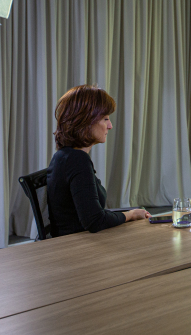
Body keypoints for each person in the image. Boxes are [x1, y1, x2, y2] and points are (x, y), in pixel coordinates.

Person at [46, 84, 150, 237]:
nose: (110, 126)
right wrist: (131, 215)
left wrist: (129, 213)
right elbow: (95, 221)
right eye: (105, 119)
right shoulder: (77, 160)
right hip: (74, 247)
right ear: (85, 121)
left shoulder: (65, 156)